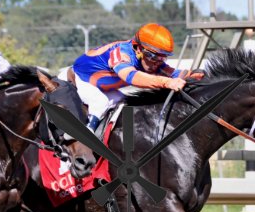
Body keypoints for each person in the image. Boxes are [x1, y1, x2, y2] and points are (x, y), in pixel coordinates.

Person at [59, 23, 203, 131]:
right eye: (152, 56)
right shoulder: (121, 53)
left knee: (124, 102)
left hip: (101, 85)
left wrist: (193, 75)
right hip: (79, 79)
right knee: (101, 102)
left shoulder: (151, 61)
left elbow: (173, 73)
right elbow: (130, 77)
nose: (156, 62)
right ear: (137, 47)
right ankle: (84, 145)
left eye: (162, 58)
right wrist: (166, 82)